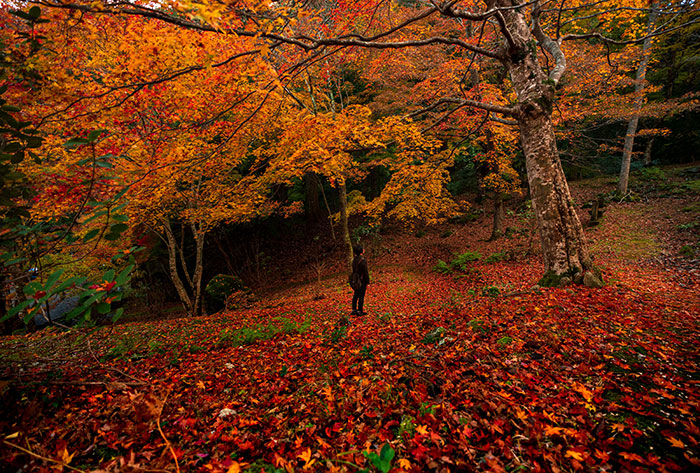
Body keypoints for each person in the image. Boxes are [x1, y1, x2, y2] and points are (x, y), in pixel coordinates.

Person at [351, 244, 369, 315]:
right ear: (361, 251)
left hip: (355, 280)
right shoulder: (363, 260)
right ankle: (360, 310)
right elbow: (365, 272)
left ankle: (354, 309)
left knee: (356, 295)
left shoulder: (354, 260)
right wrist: (367, 281)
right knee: (361, 295)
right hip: (362, 280)